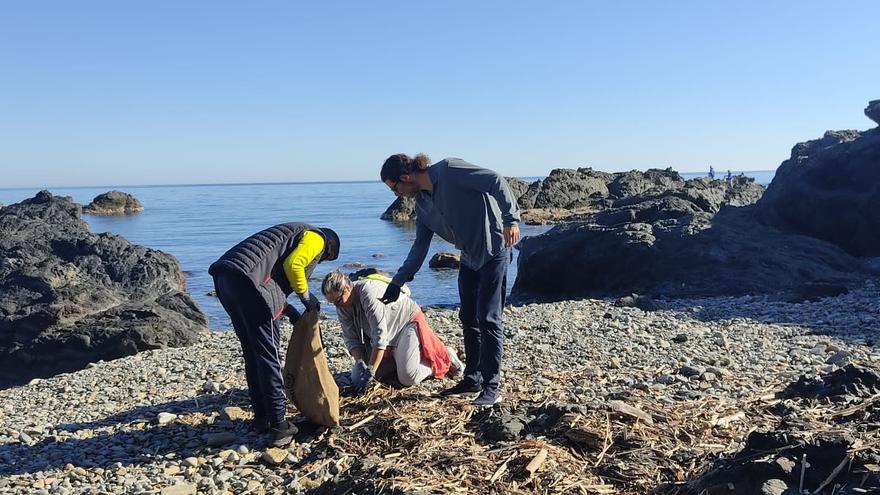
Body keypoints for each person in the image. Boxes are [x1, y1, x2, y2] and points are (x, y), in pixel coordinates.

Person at [378, 154, 520, 406]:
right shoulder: (422, 205)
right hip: (469, 258)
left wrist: (511, 220)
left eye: (394, 188)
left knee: (488, 319)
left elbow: (495, 181)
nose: (396, 194)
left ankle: (492, 387)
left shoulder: (449, 170)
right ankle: (473, 379)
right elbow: (419, 247)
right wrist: (397, 282)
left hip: (494, 252)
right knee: (468, 318)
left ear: (405, 177)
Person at [209, 222, 340, 446]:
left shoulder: (289, 236)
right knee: (268, 356)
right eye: (325, 258)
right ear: (330, 247)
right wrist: (307, 297)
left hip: (226, 279)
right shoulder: (317, 238)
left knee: (253, 353)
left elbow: (270, 283)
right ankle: (279, 425)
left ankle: (261, 418)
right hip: (248, 283)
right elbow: (294, 265)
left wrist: (290, 312)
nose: (319, 261)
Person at [321, 269, 463, 390]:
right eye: (332, 303)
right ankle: (401, 358)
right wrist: (361, 363)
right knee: (357, 378)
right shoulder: (342, 306)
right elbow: (351, 339)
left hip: (405, 325)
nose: (337, 306)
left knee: (407, 377)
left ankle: (444, 357)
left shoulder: (368, 293)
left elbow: (380, 337)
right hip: (386, 336)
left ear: (347, 288)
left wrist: (371, 370)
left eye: (338, 301)